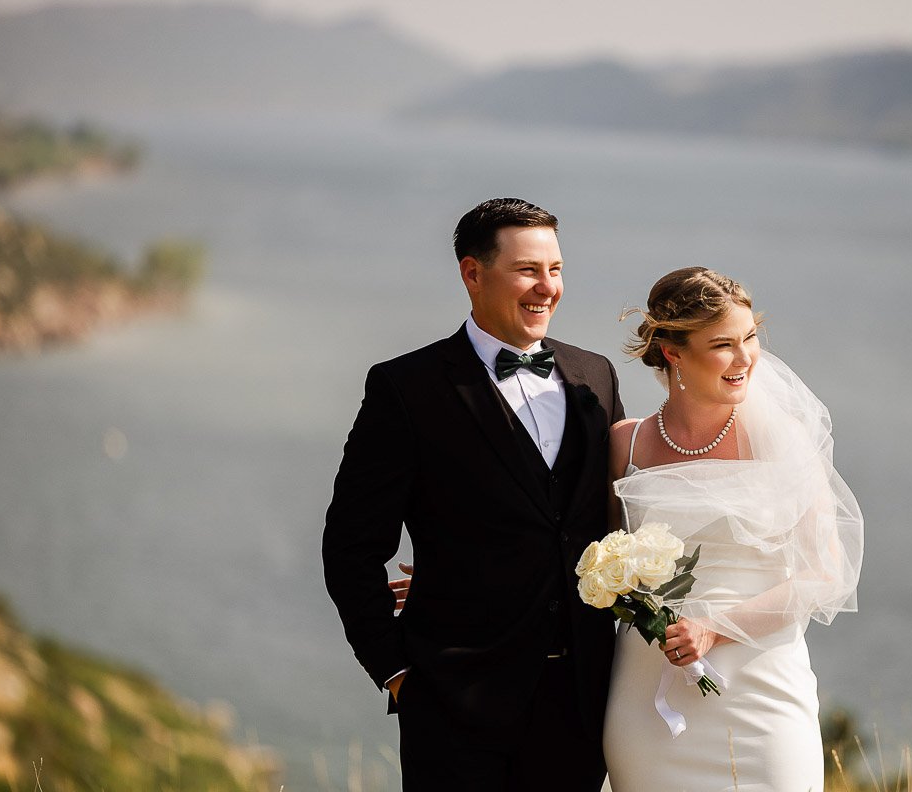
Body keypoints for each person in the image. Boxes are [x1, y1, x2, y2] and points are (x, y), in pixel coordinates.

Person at [322, 198, 624, 792]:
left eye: (556, 269)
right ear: (472, 273)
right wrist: (396, 669)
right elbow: (351, 546)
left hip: (582, 704)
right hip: (455, 709)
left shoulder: (597, 376)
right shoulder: (405, 389)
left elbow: (610, 522)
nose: (547, 288)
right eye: (527, 270)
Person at [602, 267, 863, 791]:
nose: (746, 359)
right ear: (673, 352)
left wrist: (714, 627)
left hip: (761, 692)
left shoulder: (781, 439)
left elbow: (826, 573)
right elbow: (591, 560)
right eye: (723, 344)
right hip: (648, 696)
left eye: (749, 338)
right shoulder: (626, 444)